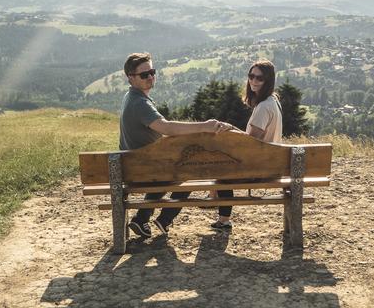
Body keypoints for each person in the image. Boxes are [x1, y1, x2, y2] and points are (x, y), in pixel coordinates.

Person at [120, 52, 232, 239]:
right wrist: (204, 126)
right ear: (130, 78)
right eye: (144, 75)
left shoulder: (131, 97)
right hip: (144, 169)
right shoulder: (139, 103)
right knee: (188, 173)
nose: (150, 77)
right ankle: (163, 219)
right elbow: (166, 128)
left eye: (152, 72)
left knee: (176, 170)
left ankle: (144, 218)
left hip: (137, 165)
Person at [212, 59, 283, 231]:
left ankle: (223, 218)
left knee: (221, 171)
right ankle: (221, 214)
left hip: (259, 166)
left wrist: (230, 129)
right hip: (271, 162)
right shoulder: (273, 101)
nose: (254, 81)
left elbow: (250, 143)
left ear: (268, 81)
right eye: (251, 76)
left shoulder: (263, 107)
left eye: (259, 78)